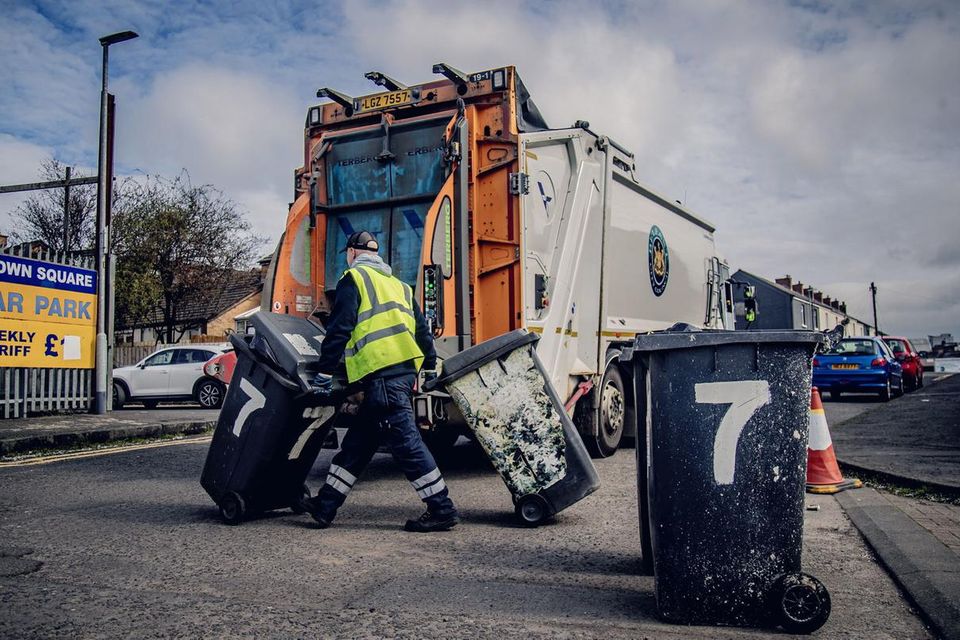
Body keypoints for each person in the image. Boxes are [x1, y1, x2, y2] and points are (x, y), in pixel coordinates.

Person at [300, 230, 459, 533]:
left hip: (382, 375)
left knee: (408, 444)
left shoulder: (353, 279)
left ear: (353, 253)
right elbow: (422, 330)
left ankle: (442, 508)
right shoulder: (398, 285)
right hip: (397, 375)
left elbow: (340, 328)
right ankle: (325, 506)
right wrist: (426, 367)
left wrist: (323, 371)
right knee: (358, 445)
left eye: (347, 254)